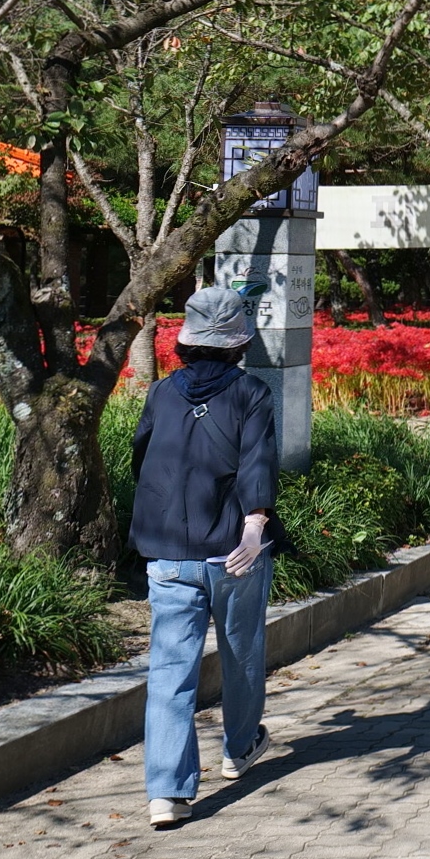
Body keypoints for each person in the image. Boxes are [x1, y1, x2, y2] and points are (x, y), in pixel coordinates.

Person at [131, 284, 278, 829]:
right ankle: (239, 749)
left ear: (187, 339)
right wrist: (254, 526)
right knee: (241, 654)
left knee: (171, 671)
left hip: (168, 553)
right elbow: (257, 462)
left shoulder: (162, 393)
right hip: (233, 551)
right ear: (240, 342)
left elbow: (142, 459)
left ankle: (166, 793)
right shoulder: (251, 392)